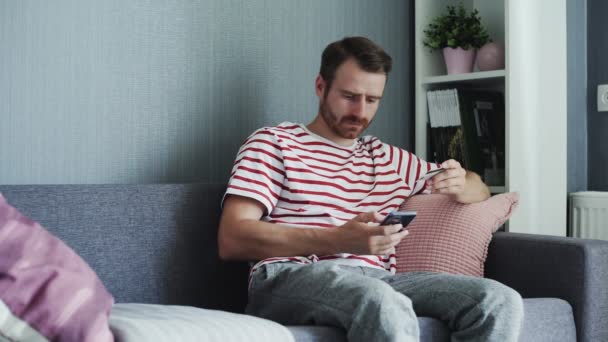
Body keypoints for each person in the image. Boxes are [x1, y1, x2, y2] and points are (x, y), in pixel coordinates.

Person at [218, 36, 523, 342]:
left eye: (372, 100)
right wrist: (338, 239)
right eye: (349, 96)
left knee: (497, 300)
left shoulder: (388, 160)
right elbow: (232, 238)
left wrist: (462, 184)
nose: (360, 112)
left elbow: (478, 188)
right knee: (380, 300)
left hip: (377, 279)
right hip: (288, 275)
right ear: (321, 87)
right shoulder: (274, 143)